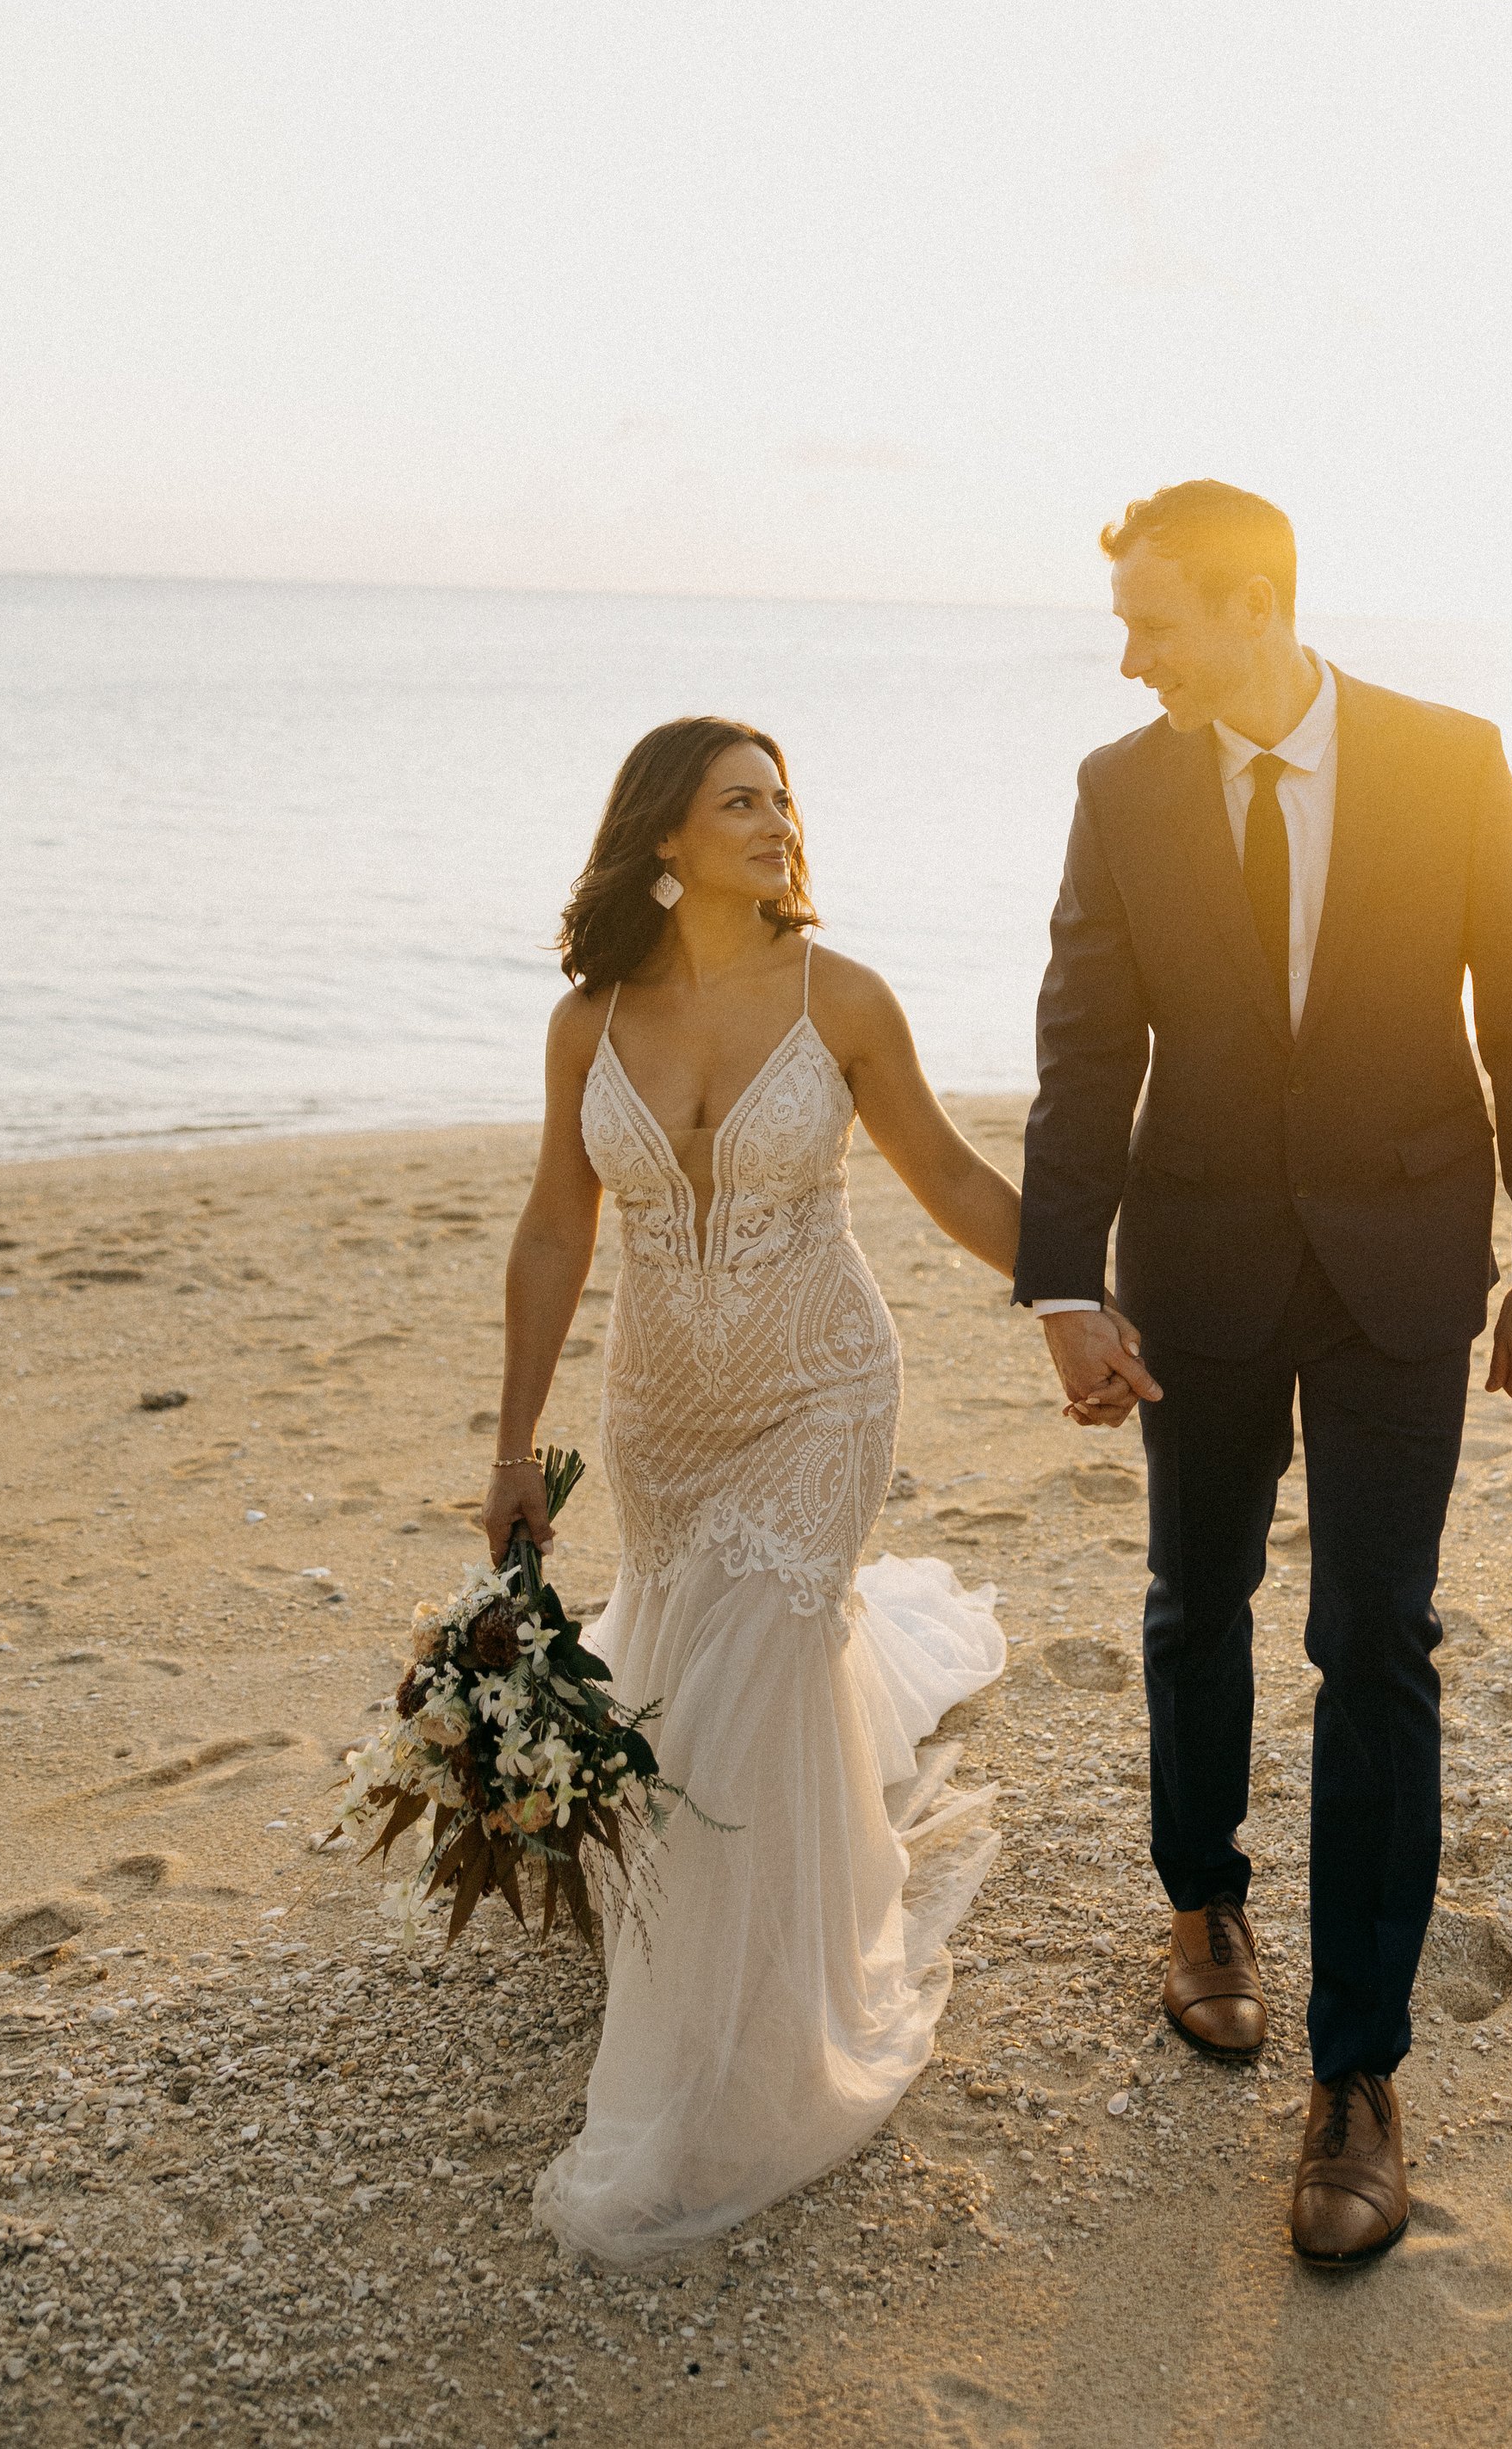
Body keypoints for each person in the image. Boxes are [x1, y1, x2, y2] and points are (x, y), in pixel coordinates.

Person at [1015, 483, 1512, 2266]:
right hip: (1194, 1271)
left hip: (1402, 1269)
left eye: (1152, 620)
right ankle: (1200, 1904)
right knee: (1196, 1606)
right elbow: (1086, 1041)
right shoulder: (1121, 790)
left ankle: (1356, 2079)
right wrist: (1062, 1284)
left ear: (1254, 602)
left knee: (1375, 1645)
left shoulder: (1448, 758)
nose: (1128, 655)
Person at [487, 715, 1018, 2262]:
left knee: (756, 1671)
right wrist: (515, 1447)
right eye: (741, 801)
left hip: (821, 1390)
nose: (778, 821)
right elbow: (551, 1233)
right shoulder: (587, 1022)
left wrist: (1087, 1291)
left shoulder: (839, 998)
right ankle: (695, 1936)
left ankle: (737, 2062)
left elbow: (954, 1175)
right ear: (665, 835)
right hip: (660, 1412)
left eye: (786, 798)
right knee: (680, 1695)